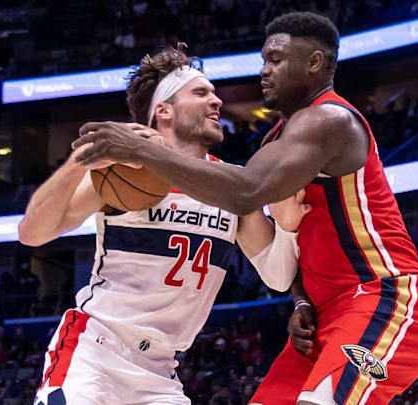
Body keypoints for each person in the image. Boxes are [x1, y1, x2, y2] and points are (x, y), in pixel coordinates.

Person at [72, 11, 418, 405]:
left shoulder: (330, 119)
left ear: (314, 63)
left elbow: (245, 191)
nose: (264, 71)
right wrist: (301, 299)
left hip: (387, 299)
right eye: (263, 61)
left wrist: (142, 151)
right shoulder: (275, 142)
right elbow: (296, 243)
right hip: (325, 317)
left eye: (276, 60)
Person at [20, 44, 306, 405]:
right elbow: (32, 234)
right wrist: (82, 159)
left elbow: (278, 277)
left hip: (159, 371)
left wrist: (287, 227)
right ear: (164, 110)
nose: (216, 101)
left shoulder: (233, 184)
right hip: (94, 355)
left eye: (215, 94)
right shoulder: (123, 173)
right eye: (201, 92)